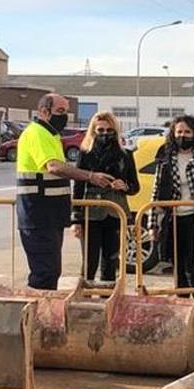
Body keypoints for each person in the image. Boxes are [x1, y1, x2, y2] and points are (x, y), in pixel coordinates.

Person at [16, 93, 114, 290]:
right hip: (38, 214)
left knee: (50, 271)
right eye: (60, 111)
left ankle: (41, 313)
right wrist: (91, 176)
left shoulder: (50, 135)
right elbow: (54, 167)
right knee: (45, 273)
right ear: (44, 111)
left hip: (49, 215)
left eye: (66, 111)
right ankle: (37, 315)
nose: (65, 116)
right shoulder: (37, 133)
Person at [147, 115, 194, 291]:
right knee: (178, 270)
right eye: (179, 132)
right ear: (173, 134)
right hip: (172, 219)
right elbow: (156, 190)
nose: (183, 135)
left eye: (187, 132)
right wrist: (153, 225)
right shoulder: (165, 154)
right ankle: (183, 310)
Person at [72, 111, 139, 282]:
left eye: (109, 130)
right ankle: (85, 296)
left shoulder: (125, 154)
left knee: (111, 260)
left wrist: (124, 186)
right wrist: (76, 219)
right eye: (100, 130)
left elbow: (134, 186)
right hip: (91, 211)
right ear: (93, 131)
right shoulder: (85, 153)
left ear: (115, 131)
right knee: (89, 261)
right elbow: (78, 186)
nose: (105, 134)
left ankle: (107, 298)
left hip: (115, 210)